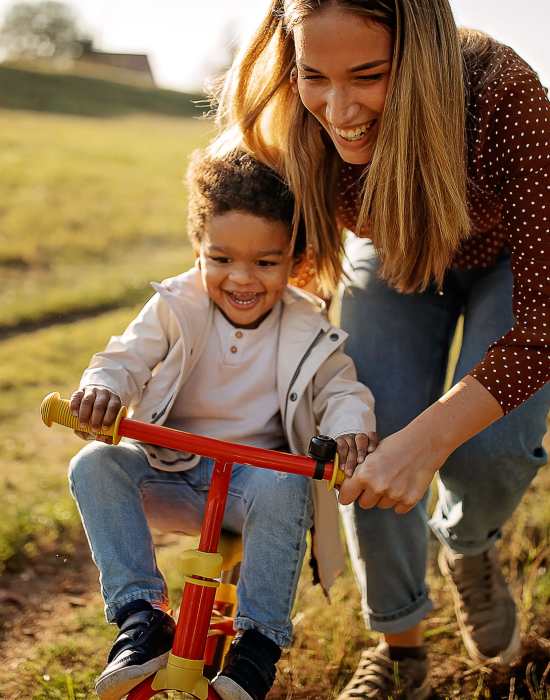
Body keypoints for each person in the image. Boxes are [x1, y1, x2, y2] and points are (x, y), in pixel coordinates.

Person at [211, 1, 550, 697]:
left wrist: (427, 445)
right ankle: (401, 647)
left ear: (421, 55)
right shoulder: (287, 123)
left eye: (369, 75)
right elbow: (261, 286)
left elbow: (543, 330)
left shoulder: (504, 94)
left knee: (489, 448)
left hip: (509, 259)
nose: (338, 109)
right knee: (363, 433)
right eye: (316, 77)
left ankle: (469, 545)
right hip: (396, 251)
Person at [68, 149, 377, 700]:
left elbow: (341, 390)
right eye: (222, 258)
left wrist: (350, 426)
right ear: (198, 250)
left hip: (251, 490)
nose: (242, 278)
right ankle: (142, 616)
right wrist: (105, 389)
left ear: (294, 260)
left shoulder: (306, 325)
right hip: (171, 474)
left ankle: (258, 644)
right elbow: (125, 358)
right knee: (95, 463)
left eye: (265, 262)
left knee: (287, 484)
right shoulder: (176, 305)